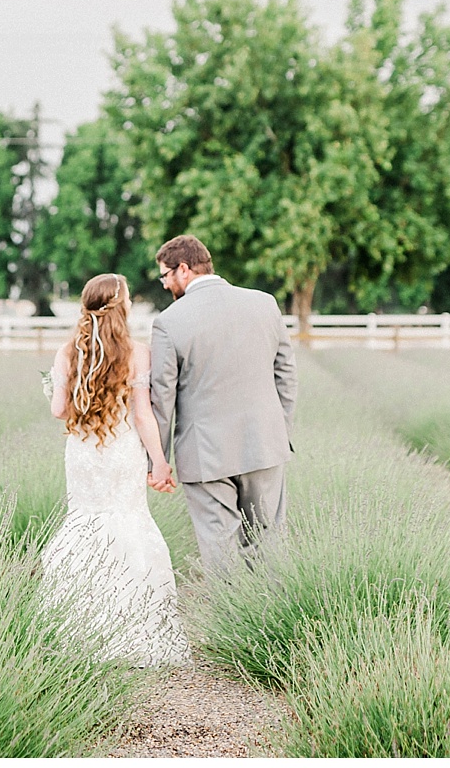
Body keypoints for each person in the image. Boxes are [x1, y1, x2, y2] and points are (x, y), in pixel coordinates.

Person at [39, 273, 189, 667]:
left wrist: (69, 391)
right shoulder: (138, 353)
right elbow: (143, 415)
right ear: (122, 307)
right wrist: (159, 462)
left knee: (84, 525)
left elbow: (58, 410)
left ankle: (81, 632)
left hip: (84, 452)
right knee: (130, 524)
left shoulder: (68, 352)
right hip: (122, 450)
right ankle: (136, 631)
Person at [149, 234, 297, 574]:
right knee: (268, 545)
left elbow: (162, 397)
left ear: (183, 269)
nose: (164, 284)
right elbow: (286, 374)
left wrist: (158, 459)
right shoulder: (263, 303)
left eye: (165, 276)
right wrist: (279, 430)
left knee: (219, 550)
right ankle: (269, 620)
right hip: (264, 442)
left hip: (205, 453)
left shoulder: (169, 322)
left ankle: (231, 622)